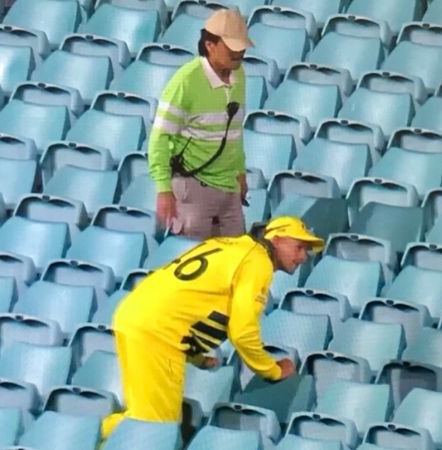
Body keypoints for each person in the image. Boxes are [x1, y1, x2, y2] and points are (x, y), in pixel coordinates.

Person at [100, 216, 324, 438]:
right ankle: (87, 436)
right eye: (299, 247)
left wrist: (197, 358)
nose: (303, 257)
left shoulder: (228, 245)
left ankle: (89, 436)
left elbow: (189, 300)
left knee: (145, 417)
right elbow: (243, 332)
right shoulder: (258, 261)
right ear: (276, 239)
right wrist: (272, 370)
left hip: (134, 316)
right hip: (158, 333)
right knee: (157, 427)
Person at [148, 8, 252, 240]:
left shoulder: (240, 75)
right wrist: (164, 189)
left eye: (241, 47)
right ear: (210, 45)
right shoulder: (186, 81)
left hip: (229, 187)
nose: (239, 53)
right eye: (232, 47)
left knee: (234, 260)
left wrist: (240, 173)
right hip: (194, 188)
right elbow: (160, 138)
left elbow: (235, 131)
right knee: (193, 261)